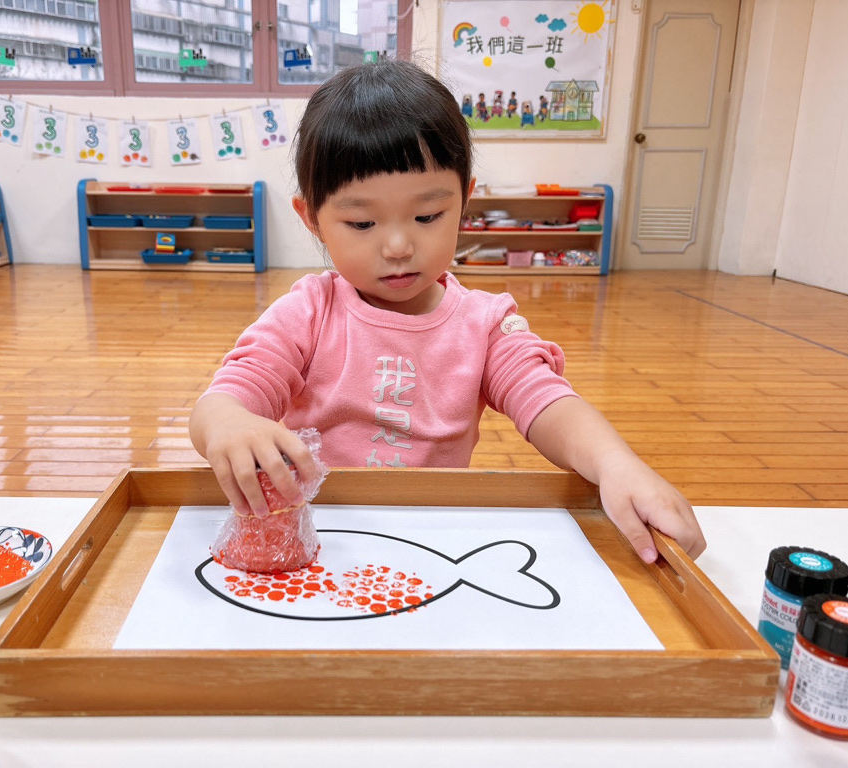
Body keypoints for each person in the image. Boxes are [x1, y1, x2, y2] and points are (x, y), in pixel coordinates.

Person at [189, 59, 705, 565]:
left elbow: (548, 401)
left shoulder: (486, 324)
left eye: (427, 215)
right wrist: (230, 423)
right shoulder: (309, 311)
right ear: (313, 219)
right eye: (362, 223)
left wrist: (614, 463)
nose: (397, 246)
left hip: (436, 541)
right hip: (321, 538)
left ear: (465, 201)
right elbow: (224, 400)